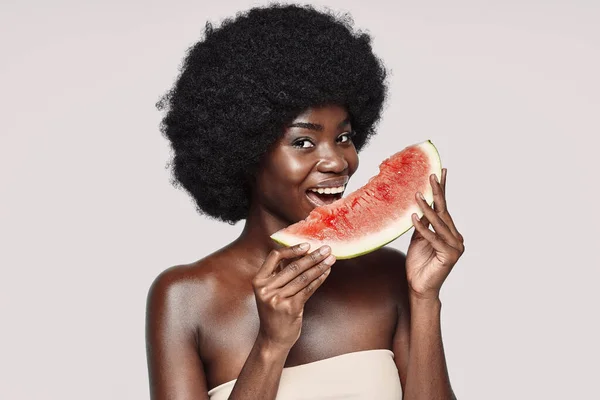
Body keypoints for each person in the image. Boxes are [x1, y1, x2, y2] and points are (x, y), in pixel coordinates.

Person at [146, 4, 464, 400]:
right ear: (245, 151)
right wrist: (270, 346)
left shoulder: (389, 277)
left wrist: (425, 299)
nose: (337, 162)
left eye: (344, 138)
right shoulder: (184, 297)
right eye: (303, 142)